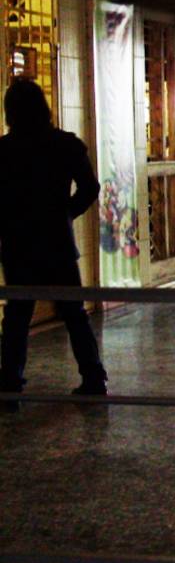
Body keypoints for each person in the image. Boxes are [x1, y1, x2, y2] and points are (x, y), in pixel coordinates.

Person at [0, 79, 107, 406]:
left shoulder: (3, 150)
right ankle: (93, 377)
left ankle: (10, 384)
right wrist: (66, 213)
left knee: (17, 317)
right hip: (58, 242)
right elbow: (90, 188)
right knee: (74, 312)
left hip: (18, 243)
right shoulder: (65, 144)